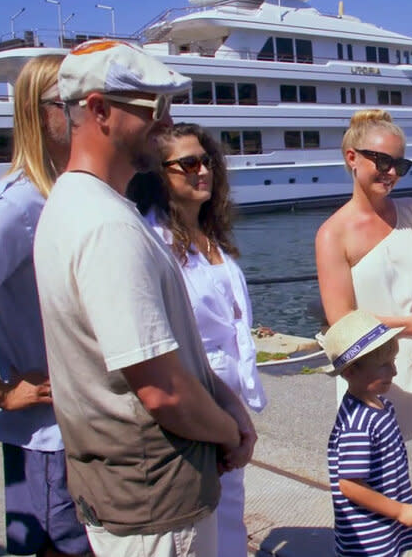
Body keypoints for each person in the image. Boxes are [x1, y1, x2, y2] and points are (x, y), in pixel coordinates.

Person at [33, 40, 256, 557]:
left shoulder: (77, 205)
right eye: (153, 108)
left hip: (135, 495)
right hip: (156, 505)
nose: (166, 121)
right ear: (98, 110)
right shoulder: (108, 226)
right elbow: (162, 393)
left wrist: (225, 402)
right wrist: (230, 432)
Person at [316, 109, 412, 556]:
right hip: (374, 365)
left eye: (400, 164)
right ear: (351, 158)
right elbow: (343, 323)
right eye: (380, 160)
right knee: (376, 473)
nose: (391, 172)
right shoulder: (332, 234)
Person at [126, 122, 267, 557]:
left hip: (228, 391)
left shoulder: (210, 236)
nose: (202, 170)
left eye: (206, 161)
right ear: (160, 174)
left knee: (229, 509)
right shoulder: (155, 241)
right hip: (195, 392)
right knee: (205, 515)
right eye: (188, 164)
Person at [0, 55, 91, 557]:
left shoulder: (68, 197)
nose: (85, 117)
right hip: (46, 437)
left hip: (87, 428)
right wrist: (1, 392)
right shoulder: (15, 206)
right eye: (69, 104)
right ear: (38, 112)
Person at [324, 310, 412, 557]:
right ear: (350, 372)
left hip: (388, 526)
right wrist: (399, 511)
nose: (393, 372)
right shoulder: (358, 424)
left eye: (393, 362)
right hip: (369, 538)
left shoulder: (382, 406)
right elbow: (349, 485)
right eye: (383, 366)